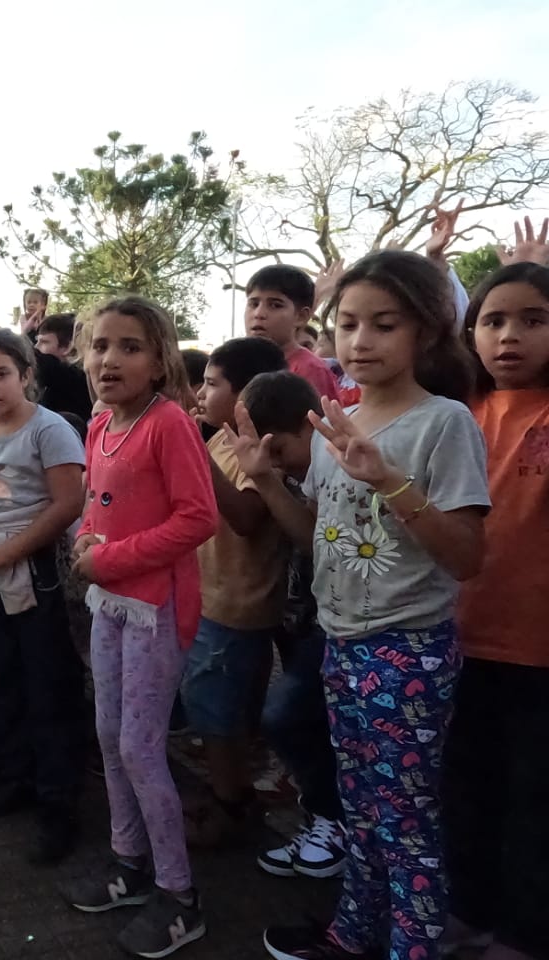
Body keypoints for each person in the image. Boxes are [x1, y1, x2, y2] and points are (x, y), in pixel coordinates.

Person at [228, 251, 489, 960]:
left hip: (408, 651)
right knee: (363, 810)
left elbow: (466, 555)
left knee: (405, 821)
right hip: (342, 644)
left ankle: (414, 945)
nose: (361, 340)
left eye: (384, 324)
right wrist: (269, 484)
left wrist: (392, 484)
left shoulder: (444, 424)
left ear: (428, 331)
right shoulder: (333, 419)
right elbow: (321, 540)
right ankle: (353, 932)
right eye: (348, 323)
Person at [59, 296, 218, 958]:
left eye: (128, 346)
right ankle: (130, 861)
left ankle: (180, 896)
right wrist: (85, 537)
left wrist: (108, 560)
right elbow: (99, 502)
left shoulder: (170, 423)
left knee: (140, 746)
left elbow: (197, 518)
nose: (108, 359)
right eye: (98, 345)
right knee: (107, 731)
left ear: (159, 360)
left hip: (155, 609)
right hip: (111, 603)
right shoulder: (101, 426)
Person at [443, 262, 549, 960]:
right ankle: (469, 910)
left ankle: (525, 931)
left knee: (534, 804)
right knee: (467, 790)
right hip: (458, 641)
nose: (509, 336)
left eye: (534, 320)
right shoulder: (459, 414)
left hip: (539, 652)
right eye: (493, 320)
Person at [0, 329, 87, 864]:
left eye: (1, 373)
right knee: (0, 675)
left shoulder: (49, 431)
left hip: (39, 572)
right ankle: (13, 778)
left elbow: (66, 505)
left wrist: (4, 556)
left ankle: (59, 803)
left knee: (49, 683)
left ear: (27, 374)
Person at [238, 372, 347, 880]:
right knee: (295, 718)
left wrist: (267, 479)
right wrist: (266, 478)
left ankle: (333, 822)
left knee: (286, 715)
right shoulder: (310, 468)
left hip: (356, 625)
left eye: (280, 449)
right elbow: (310, 538)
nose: (278, 462)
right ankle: (326, 819)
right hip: (323, 618)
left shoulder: (336, 456)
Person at [182, 337, 289, 847]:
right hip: (211, 596)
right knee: (213, 708)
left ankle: (232, 804)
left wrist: (193, 457)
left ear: (245, 393)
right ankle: (229, 790)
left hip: (236, 604)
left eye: (211, 382)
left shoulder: (261, 447)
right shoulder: (218, 437)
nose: (200, 392)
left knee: (218, 712)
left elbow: (246, 518)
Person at [245, 265, 342, 401]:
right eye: (253, 304)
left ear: (301, 316)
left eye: (275, 305)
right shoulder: (240, 365)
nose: (258, 314)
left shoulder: (310, 369)